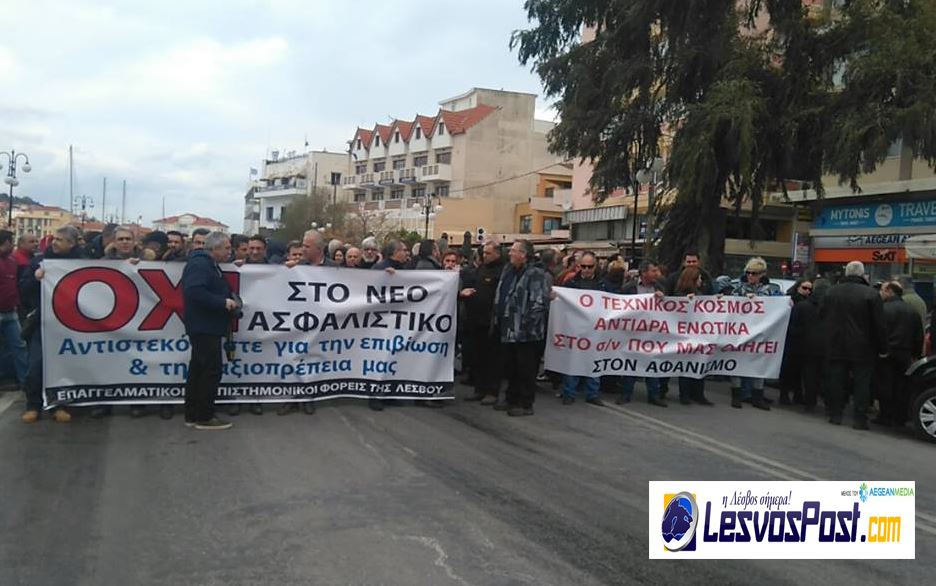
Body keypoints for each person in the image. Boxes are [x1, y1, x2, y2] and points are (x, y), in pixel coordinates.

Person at [19, 226, 85, 424]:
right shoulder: (39, 262)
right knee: (35, 366)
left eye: (60, 239)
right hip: (42, 323)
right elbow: (23, 289)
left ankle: (59, 405)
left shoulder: (82, 262)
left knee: (63, 367)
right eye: (54, 238)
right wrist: (35, 278)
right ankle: (33, 405)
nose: (54, 242)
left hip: (69, 325)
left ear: (71, 244)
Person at [181, 232, 239, 430]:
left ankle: (193, 414)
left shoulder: (207, 264)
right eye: (227, 248)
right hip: (204, 326)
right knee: (210, 371)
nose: (230, 252)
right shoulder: (201, 265)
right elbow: (194, 291)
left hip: (205, 325)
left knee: (198, 370)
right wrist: (222, 302)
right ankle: (204, 416)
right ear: (215, 248)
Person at [821, 260, 888, 430]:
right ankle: (859, 418)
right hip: (863, 346)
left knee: (836, 379)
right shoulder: (871, 294)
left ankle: (835, 414)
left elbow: (821, 315)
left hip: (835, 343)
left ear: (846, 273)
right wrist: (883, 347)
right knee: (862, 383)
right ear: (862, 274)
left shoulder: (831, 291)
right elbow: (879, 325)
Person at [493, 239, 550, 416]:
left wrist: (526, 325)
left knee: (525, 368)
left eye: (514, 250)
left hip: (526, 332)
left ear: (524, 255)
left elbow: (539, 302)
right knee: (511, 366)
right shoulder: (509, 270)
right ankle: (511, 397)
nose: (510, 253)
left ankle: (525, 403)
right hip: (509, 328)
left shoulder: (535, 274)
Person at [557, 251, 607, 406]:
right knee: (573, 361)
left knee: (594, 361)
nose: (586, 270)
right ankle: (569, 392)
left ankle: (592, 393)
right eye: (583, 266)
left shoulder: (603, 284)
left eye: (589, 267)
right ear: (578, 266)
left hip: (595, 330)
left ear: (595, 266)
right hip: (575, 329)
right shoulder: (570, 283)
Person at [618, 260, 668, 406]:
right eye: (653, 271)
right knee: (631, 364)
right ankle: (626, 394)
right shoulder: (629, 288)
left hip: (652, 333)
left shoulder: (659, 287)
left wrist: (663, 298)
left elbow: (670, 308)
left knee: (652, 363)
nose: (657, 274)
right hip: (633, 333)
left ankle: (654, 395)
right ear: (644, 273)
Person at [729, 257, 777, 410]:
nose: (750, 276)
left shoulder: (768, 290)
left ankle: (758, 396)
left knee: (758, 364)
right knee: (737, 362)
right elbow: (729, 305)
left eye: (754, 273)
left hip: (759, 332)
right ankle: (736, 395)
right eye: (748, 273)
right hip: (740, 332)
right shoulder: (738, 288)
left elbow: (776, 307)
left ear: (762, 274)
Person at [461, 242, 505, 404]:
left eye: (488, 253)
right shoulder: (481, 268)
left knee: (492, 359)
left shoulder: (502, 271)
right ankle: (479, 389)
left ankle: (492, 391)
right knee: (478, 357)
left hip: (491, 322)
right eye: (483, 253)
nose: (484, 256)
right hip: (476, 320)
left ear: (497, 254)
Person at [875, 282, 924, 428]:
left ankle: (885, 415)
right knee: (901, 385)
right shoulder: (912, 311)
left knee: (884, 384)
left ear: (890, 291)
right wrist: (915, 354)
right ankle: (899, 417)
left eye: (883, 290)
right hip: (905, 353)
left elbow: (878, 332)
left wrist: (878, 349)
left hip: (886, 352)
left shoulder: (883, 309)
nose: (880, 293)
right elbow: (918, 336)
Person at [229, 235, 267, 417]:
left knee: (259, 363)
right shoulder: (236, 266)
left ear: (265, 250)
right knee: (240, 362)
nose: (255, 252)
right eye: (252, 248)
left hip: (264, 324)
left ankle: (255, 400)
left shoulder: (276, 267)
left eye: (258, 248)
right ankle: (235, 399)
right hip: (242, 323)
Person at [672, 266, 713, 406]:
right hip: (685, 336)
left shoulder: (700, 294)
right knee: (686, 365)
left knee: (700, 363)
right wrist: (685, 300)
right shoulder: (679, 295)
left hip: (700, 335)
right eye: (699, 278)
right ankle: (685, 394)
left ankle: (698, 394)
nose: (701, 281)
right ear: (693, 280)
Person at [0, 231, 27, 392]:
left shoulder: (12, 261)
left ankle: (24, 381)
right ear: (7, 242)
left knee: (19, 346)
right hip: (6, 310)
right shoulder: (11, 261)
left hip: (11, 311)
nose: (14, 245)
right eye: (12, 242)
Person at [779, 279, 813, 405]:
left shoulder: (809, 302)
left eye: (810, 289)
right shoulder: (790, 300)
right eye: (805, 288)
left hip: (802, 340)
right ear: (798, 287)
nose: (807, 291)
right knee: (788, 368)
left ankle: (797, 395)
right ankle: (784, 394)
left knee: (798, 369)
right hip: (790, 338)